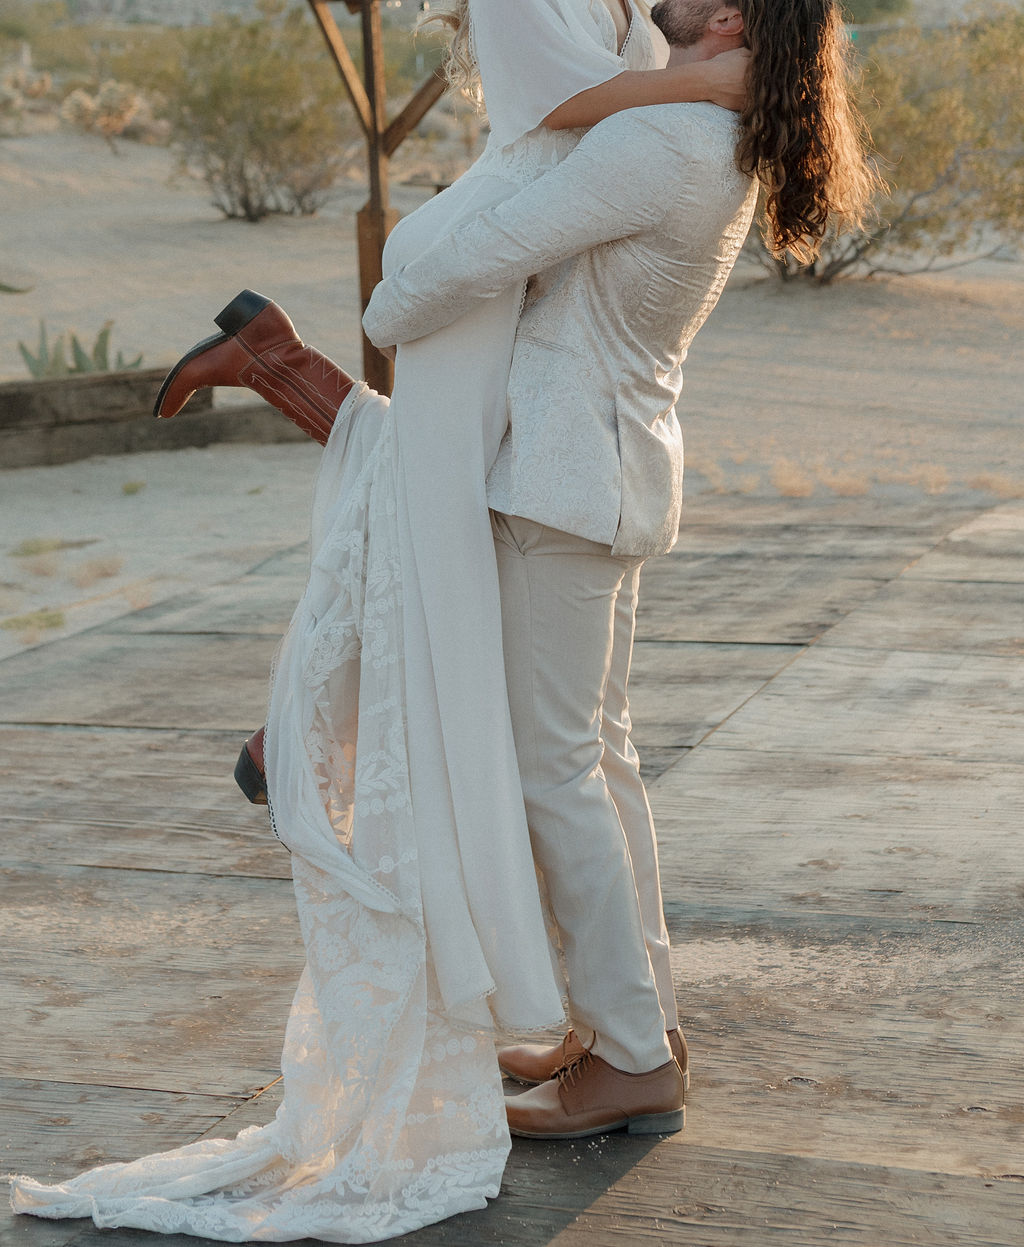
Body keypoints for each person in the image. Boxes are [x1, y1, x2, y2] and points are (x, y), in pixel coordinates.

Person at [10, 2, 752, 1242]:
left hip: (566, 481)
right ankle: (632, 1019)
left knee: (553, 770)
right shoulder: (708, 128)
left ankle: (629, 1050)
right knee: (598, 757)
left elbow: (464, 263)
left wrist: (403, 289)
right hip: (610, 471)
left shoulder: (660, 143)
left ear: (731, 20)